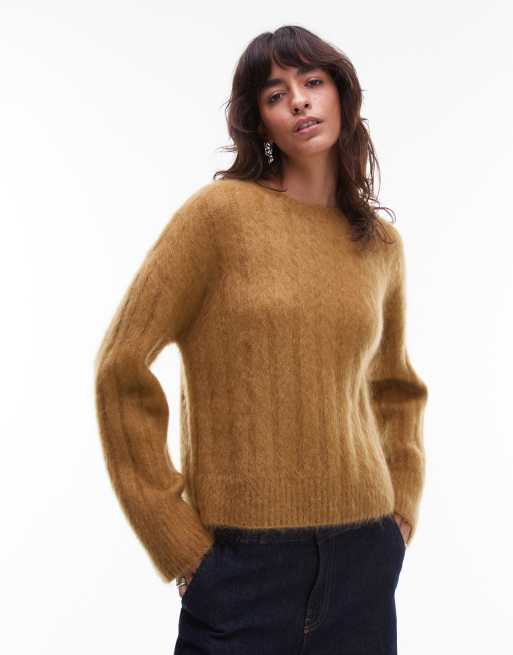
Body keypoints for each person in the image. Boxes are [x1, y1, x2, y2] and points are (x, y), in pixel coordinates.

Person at [94, 24, 428, 654]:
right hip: (242, 569)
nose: (298, 101)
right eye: (276, 94)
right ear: (261, 121)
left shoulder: (380, 245)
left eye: (312, 82)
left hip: (363, 559)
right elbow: (121, 365)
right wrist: (177, 542)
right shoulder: (218, 218)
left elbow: (395, 388)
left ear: (341, 94)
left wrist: (400, 515)